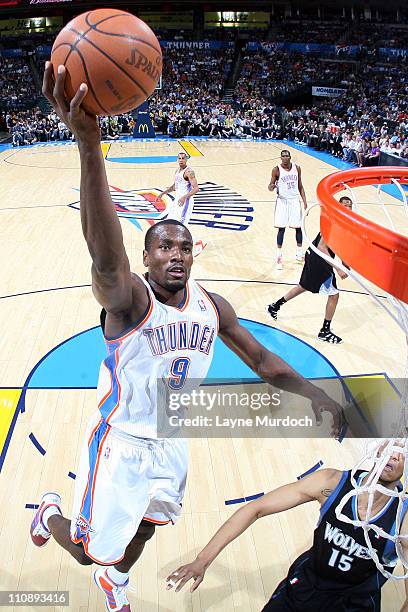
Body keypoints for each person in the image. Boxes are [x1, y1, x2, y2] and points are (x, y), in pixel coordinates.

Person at [30, 62, 343, 612]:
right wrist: (88, 147)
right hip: (121, 443)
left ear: (194, 251)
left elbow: (265, 362)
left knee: (150, 527)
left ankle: (116, 579)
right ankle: (50, 510)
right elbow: (104, 255)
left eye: (183, 246)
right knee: (88, 552)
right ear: (146, 257)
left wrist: (318, 397)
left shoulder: (212, 307)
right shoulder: (131, 302)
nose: (175, 254)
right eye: (163, 247)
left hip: (172, 438)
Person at [166, 447, 408, 612]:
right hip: (303, 588)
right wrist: (203, 559)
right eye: (390, 447)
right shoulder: (331, 483)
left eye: (401, 453)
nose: (393, 456)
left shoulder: (403, 518)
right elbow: (256, 508)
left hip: (353, 605)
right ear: (377, 448)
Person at [267, 196, 353, 344]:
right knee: (334, 295)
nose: (348, 208)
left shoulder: (343, 222)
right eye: (344, 205)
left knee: (304, 286)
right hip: (319, 259)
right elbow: (322, 247)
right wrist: (339, 269)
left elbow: (337, 245)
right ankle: (324, 331)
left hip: (313, 256)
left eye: (350, 206)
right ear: (338, 206)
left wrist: (345, 263)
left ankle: (274, 306)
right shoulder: (335, 222)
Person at [155, 152, 205, 257]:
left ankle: (197, 244)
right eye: (179, 158)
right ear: (177, 160)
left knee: (182, 226)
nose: (181, 160)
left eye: (183, 158)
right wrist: (163, 193)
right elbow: (175, 186)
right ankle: (171, 246)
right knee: (169, 223)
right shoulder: (177, 171)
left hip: (185, 202)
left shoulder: (189, 172)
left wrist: (184, 197)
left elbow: (196, 188)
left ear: (186, 159)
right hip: (177, 201)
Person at [268, 150, 307, 270]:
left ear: (290, 157)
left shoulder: (297, 168)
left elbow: (300, 185)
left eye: (287, 155)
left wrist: (305, 202)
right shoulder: (276, 170)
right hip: (282, 200)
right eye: (283, 156)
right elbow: (270, 186)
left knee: (298, 227)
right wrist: (272, 186)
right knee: (281, 228)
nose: (285, 157)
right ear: (280, 157)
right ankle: (279, 255)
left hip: (294, 199)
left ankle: (299, 253)